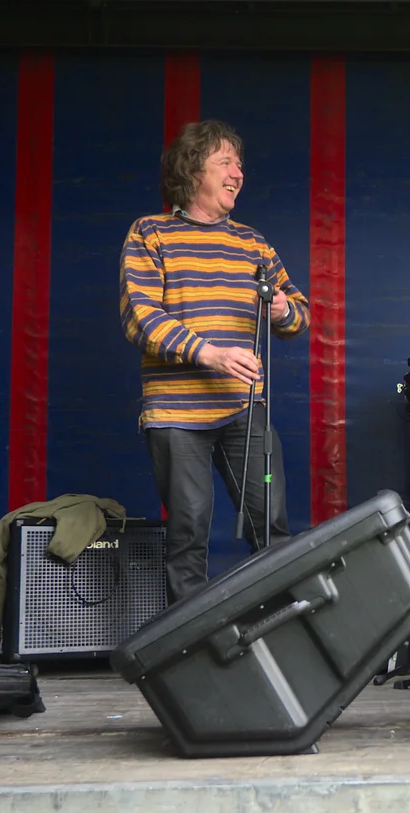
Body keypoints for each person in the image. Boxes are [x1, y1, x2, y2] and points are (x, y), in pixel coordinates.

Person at [120, 119, 310, 602]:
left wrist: (286, 308)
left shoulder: (253, 243)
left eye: (239, 164)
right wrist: (210, 354)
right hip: (176, 413)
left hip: (244, 408)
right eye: (225, 162)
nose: (238, 173)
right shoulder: (150, 233)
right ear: (192, 171)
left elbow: (298, 315)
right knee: (188, 530)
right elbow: (141, 318)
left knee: (271, 522)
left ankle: (282, 631)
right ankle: (193, 652)